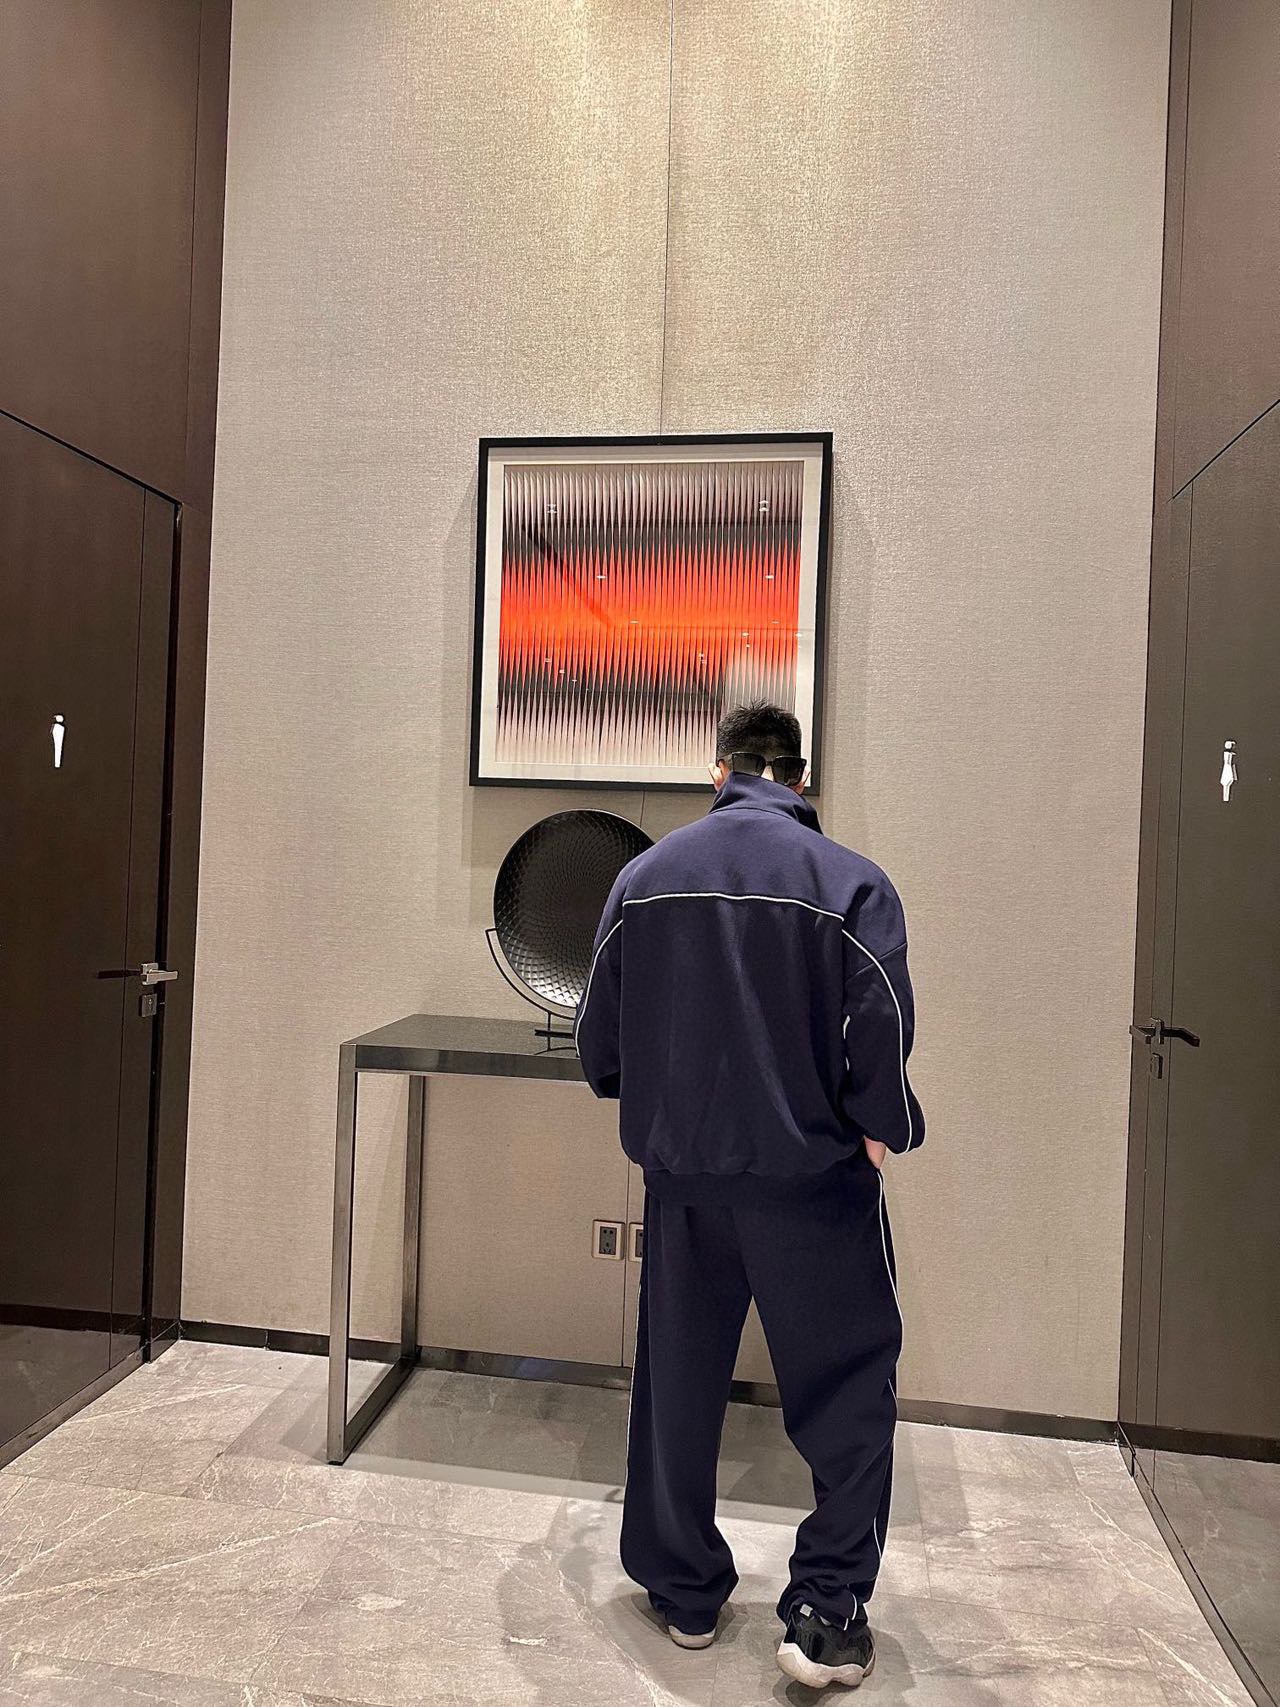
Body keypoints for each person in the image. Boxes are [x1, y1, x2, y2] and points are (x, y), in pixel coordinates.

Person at [575, 700, 925, 1691]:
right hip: (814, 1184)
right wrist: (881, 1126)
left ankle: (684, 1595)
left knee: (678, 1384)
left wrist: (657, 1105)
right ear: (800, 779)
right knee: (845, 1390)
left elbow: (598, 1041)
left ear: (718, 771)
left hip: (684, 1184)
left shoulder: (642, 878)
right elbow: (881, 1022)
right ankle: (824, 1612)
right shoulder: (852, 882)